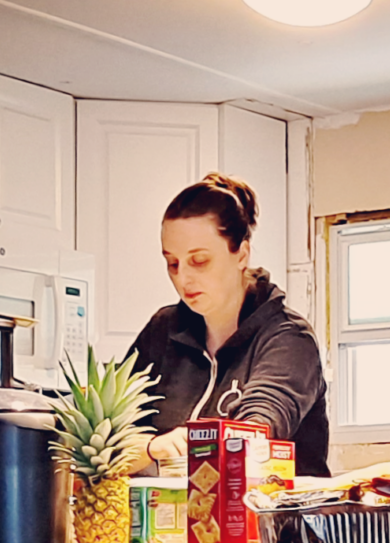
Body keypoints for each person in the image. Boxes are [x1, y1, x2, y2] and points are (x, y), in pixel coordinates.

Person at [126, 173, 330, 477]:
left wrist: (195, 443)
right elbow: (110, 429)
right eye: (172, 263)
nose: (183, 278)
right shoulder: (162, 331)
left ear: (241, 255)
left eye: (199, 261)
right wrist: (150, 447)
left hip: (271, 508)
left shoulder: (288, 339)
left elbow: (258, 429)